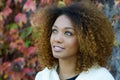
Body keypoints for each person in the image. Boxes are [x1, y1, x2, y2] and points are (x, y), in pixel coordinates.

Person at [31, 1, 115, 80]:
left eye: (68, 33)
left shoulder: (101, 77)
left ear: (85, 40)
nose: (57, 39)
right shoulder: (43, 76)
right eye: (54, 31)